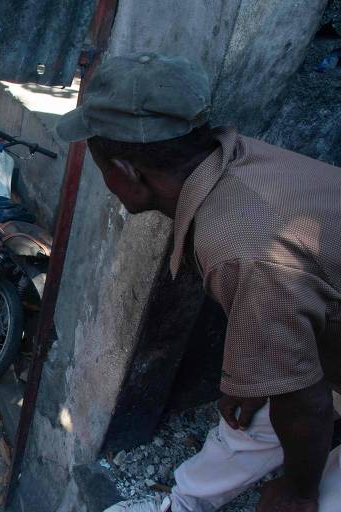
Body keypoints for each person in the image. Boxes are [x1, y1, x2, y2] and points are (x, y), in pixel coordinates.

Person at [55, 52, 341, 512]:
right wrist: (253, 377)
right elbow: (287, 305)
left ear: (128, 174)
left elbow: (307, 401)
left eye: (101, 166)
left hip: (326, 376)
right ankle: (184, 503)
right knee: (254, 418)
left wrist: (297, 491)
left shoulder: (240, 249)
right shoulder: (238, 159)